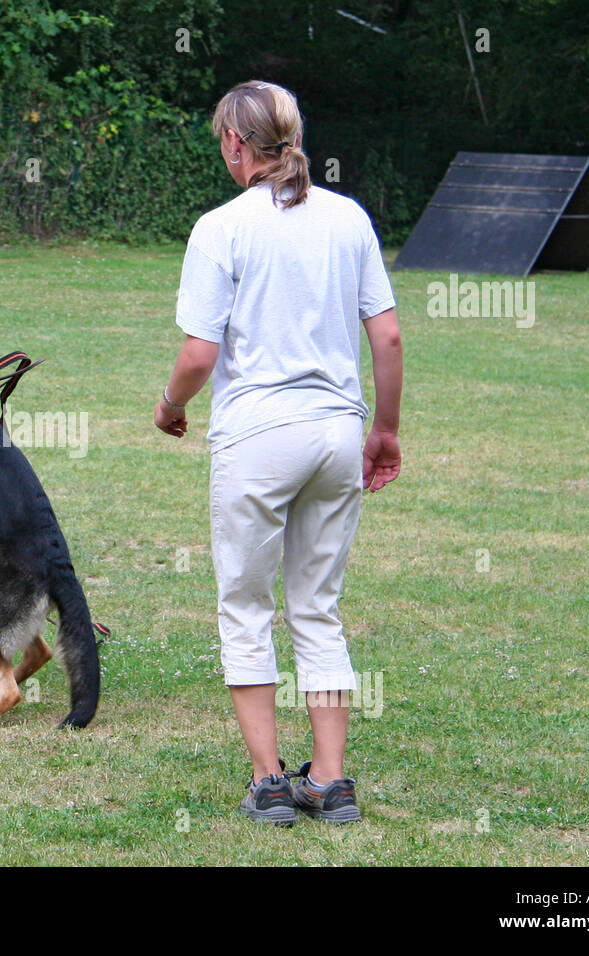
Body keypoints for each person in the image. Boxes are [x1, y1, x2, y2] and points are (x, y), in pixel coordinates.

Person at [154, 80, 403, 825]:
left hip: (257, 436)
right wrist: (384, 429)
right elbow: (386, 335)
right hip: (335, 434)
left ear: (236, 143)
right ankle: (329, 780)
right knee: (317, 608)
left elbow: (200, 354)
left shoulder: (220, 228)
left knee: (245, 604)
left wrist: (170, 407)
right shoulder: (349, 218)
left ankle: (269, 781)